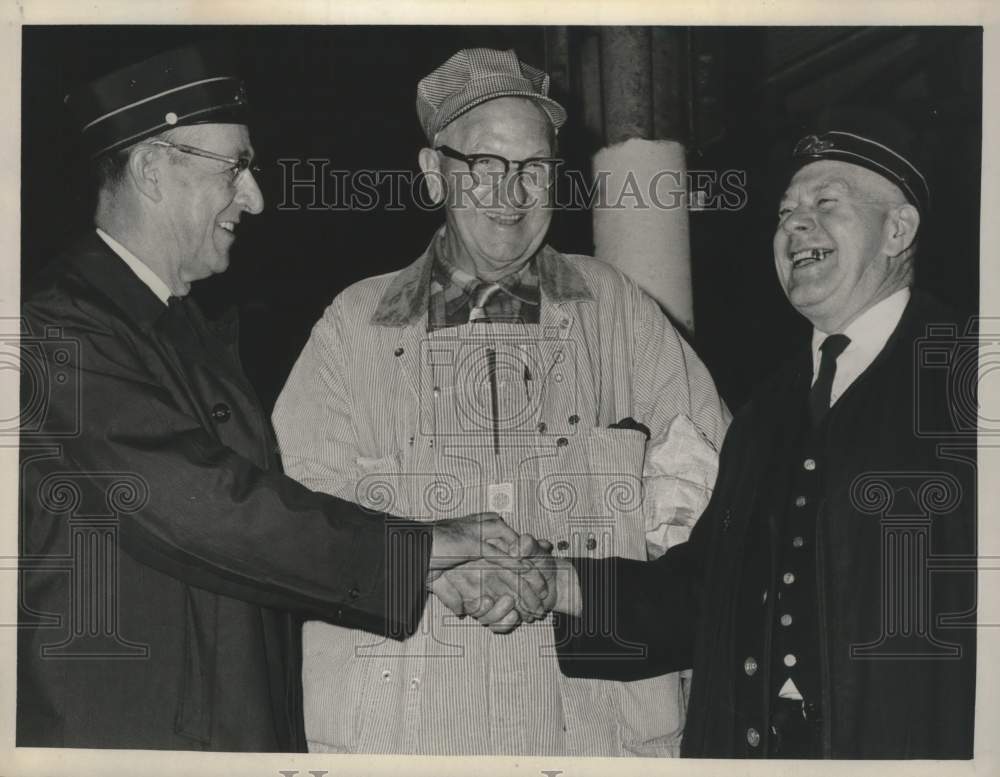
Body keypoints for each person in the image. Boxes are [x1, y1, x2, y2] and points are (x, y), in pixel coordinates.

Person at [17, 42, 543, 752]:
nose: (256, 197)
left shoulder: (182, 333)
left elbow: (261, 542)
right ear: (150, 168)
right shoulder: (58, 330)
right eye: (236, 168)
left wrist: (430, 571)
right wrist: (420, 549)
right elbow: (208, 510)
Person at [272, 47, 729, 756]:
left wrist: (576, 586)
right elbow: (292, 531)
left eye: (534, 168)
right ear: (434, 174)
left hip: (587, 733)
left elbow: (716, 518)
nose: (511, 195)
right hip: (407, 735)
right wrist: (427, 564)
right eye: (485, 165)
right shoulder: (350, 331)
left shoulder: (618, 315)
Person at [546, 120, 978, 758]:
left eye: (825, 204)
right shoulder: (765, 412)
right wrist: (558, 582)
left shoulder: (969, 380)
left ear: (898, 230)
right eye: (785, 213)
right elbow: (705, 595)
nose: (794, 226)